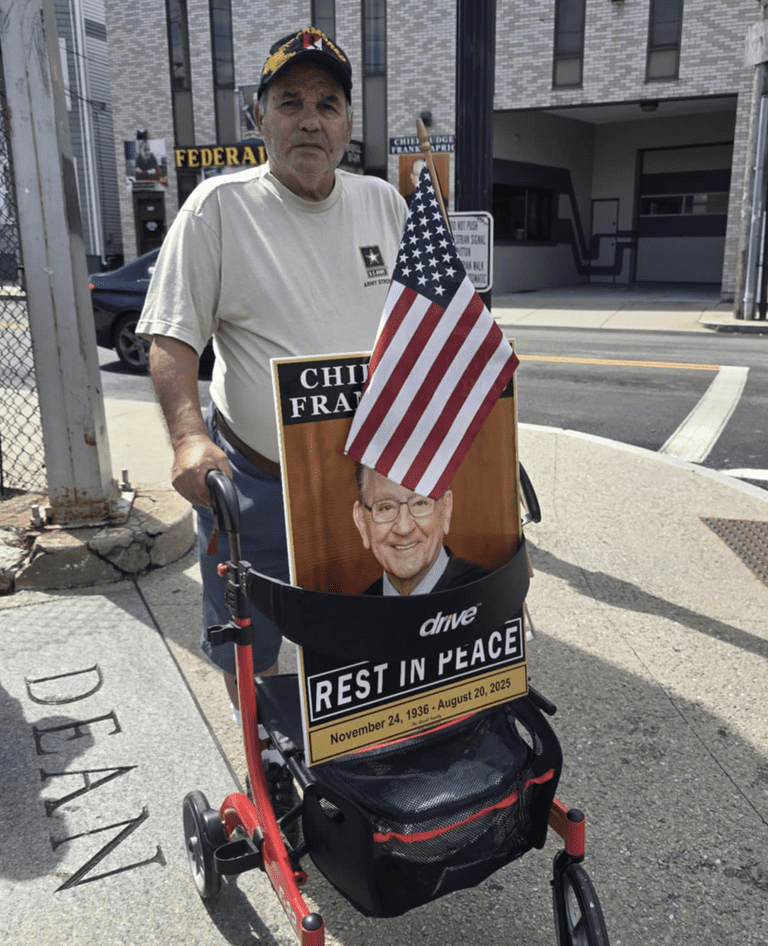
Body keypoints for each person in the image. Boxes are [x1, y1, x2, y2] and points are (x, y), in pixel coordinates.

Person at [137, 28, 408, 732]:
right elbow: (171, 336)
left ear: (348, 122)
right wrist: (189, 440)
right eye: (289, 102)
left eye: (327, 103)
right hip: (256, 486)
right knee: (250, 648)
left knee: (357, 633)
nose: (309, 119)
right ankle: (267, 763)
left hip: (364, 482)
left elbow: (427, 330)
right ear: (259, 119)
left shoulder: (385, 205)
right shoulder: (217, 209)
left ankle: (349, 752)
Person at [352, 463, 489, 595]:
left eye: (420, 503)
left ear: (446, 508)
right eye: (386, 507)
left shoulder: (495, 596)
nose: (404, 529)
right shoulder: (354, 616)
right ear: (362, 522)